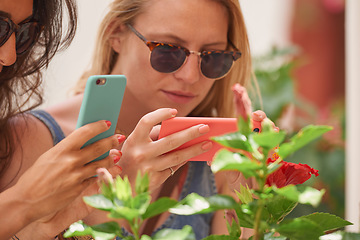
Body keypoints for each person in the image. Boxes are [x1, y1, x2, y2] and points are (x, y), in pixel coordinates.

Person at [11, 0, 264, 239]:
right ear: (116, 34)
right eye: (168, 51)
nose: (190, 76)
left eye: (212, 57)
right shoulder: (30, 139)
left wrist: (252, 202)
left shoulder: (213, 156)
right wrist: (118, 198)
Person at [0, 1, 125, 239]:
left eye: (24, 34)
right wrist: (24, 201)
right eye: (167, 50)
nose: (10, 56)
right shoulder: (30, 133)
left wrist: (41, 228)